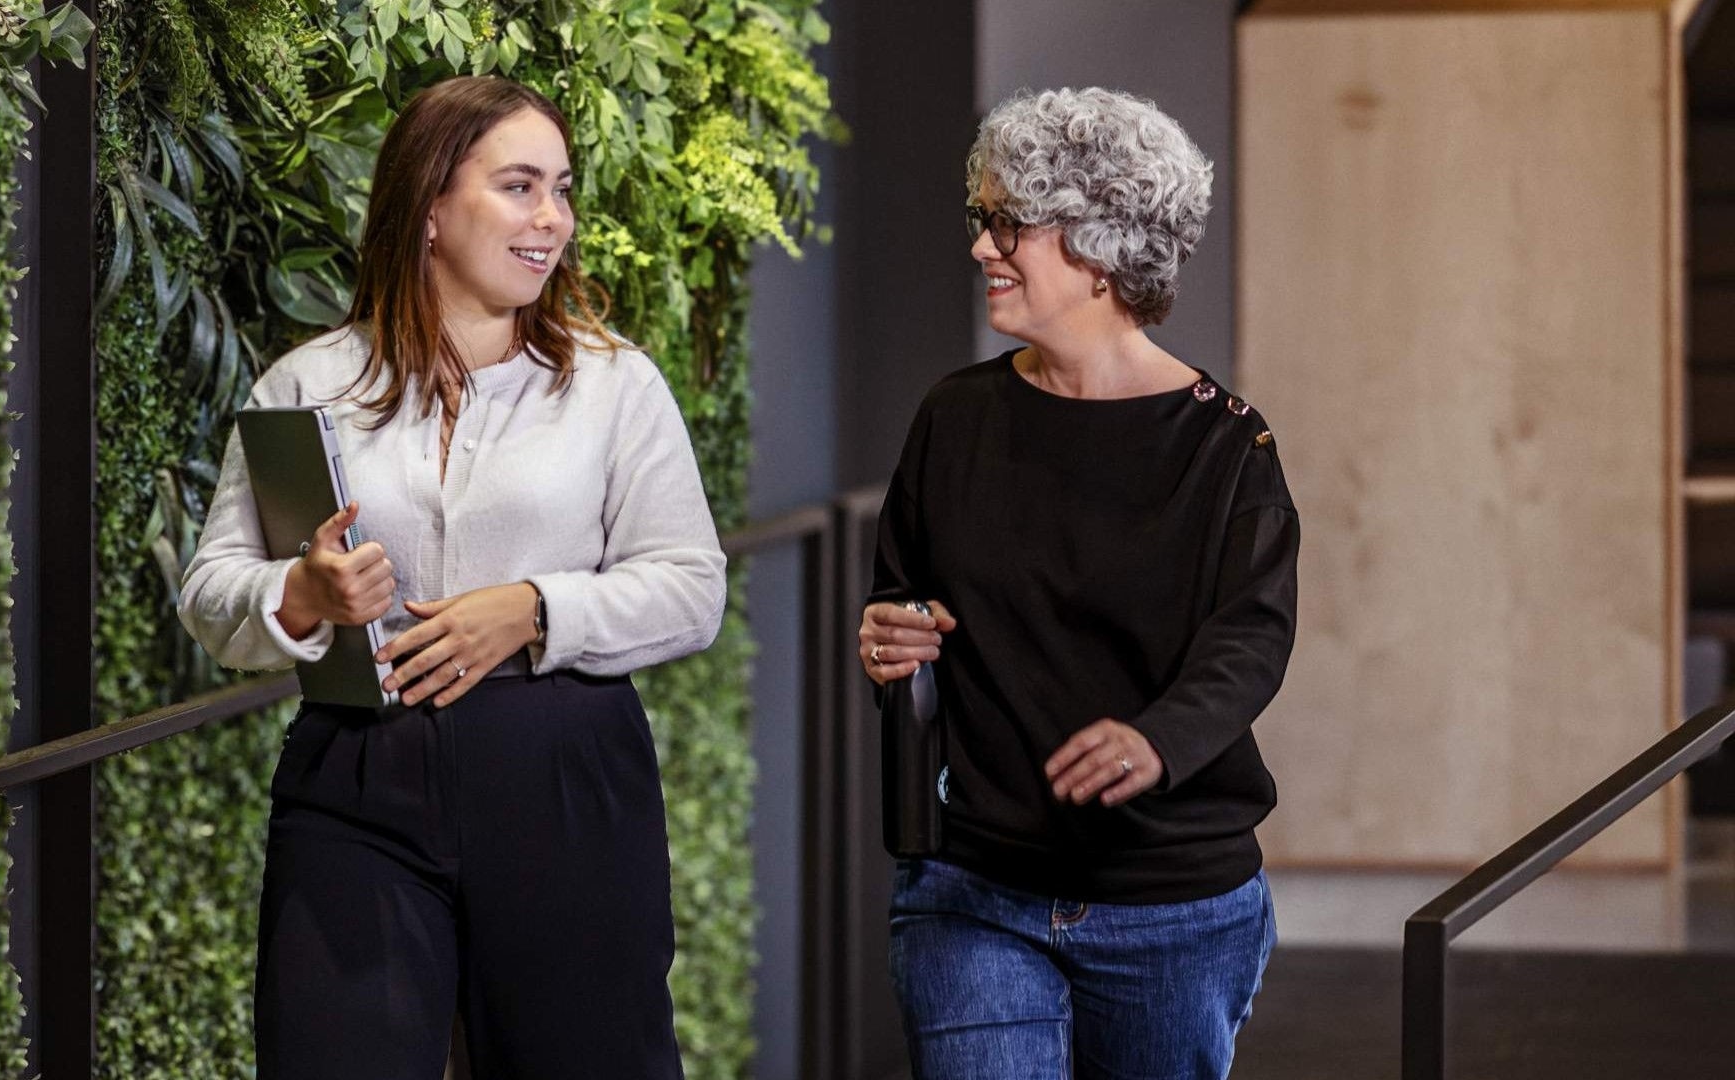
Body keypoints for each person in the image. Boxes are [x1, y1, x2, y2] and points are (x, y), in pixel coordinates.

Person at [178, 75, 724, 1080]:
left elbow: (693, 587)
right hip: (357, 769)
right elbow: (212, 589)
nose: (552, 218)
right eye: (520, 187)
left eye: (561, 189)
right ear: (430, 205)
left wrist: (533, 609)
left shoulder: (614, 385)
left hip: (564, 772)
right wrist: (300, 596)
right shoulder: (310, 384)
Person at [858, 86, 1298, 1080]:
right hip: (971, 890)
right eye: (983, 218)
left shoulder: (1228, 448)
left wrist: (1158, 739)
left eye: (1010, 222)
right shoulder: (953, 417)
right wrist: (886, 636)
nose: (982, 246)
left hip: (1173, 908)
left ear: (1102, 247)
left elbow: (1252, 637)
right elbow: (901, 598)